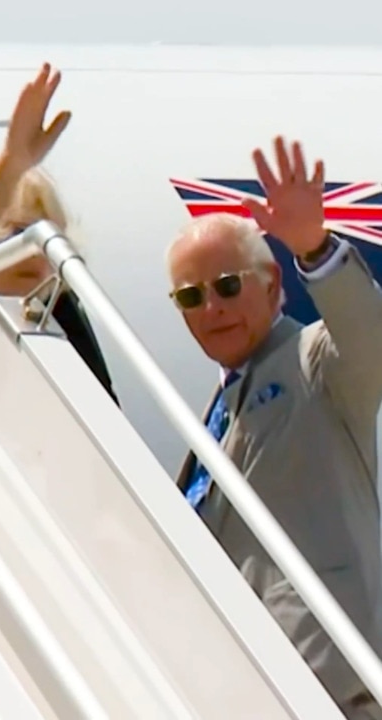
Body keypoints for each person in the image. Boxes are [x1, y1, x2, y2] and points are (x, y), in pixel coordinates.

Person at [167, 135, 382, 719]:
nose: (212, 307)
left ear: (272, 285)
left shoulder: (316, 362)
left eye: (228, 286)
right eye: (191, 296)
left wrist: (313, 246)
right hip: (246, 689)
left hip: (327, 683)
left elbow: (368, 336)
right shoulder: (218, 409)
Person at [0, 64, 119, 404]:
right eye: (18, 235)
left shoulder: (62, 315)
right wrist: (10, 167)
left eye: (48, 236)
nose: (36, 251)